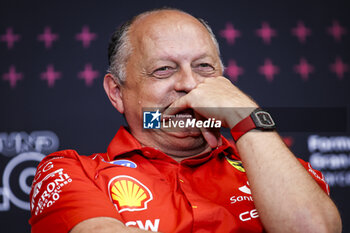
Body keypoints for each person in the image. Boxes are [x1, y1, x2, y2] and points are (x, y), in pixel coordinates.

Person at [29, 8, 342, 233]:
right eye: (163, 69)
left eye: (205, 67)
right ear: (116, 93)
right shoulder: (71, 172)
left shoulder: (282, 168)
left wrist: (246, 117)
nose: (190, 84)